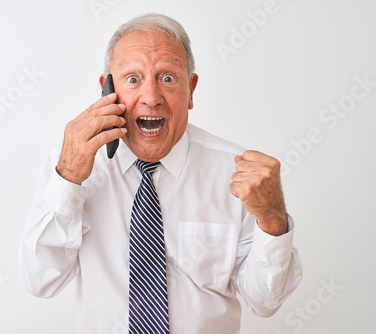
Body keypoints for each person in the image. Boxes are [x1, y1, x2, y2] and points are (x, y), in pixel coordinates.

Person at [19, 13, 302, 334]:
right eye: (132, 79)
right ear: (107, 89)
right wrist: (68, 178)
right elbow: (40, 280)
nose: (151, 98)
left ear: (191, 89)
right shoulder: (70, 164)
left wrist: (273, 220)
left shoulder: (235, 172)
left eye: (168, 78)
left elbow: (264, 301)